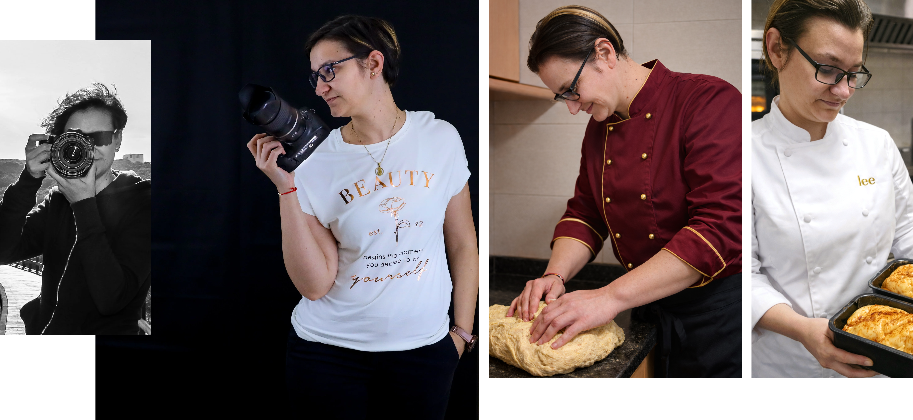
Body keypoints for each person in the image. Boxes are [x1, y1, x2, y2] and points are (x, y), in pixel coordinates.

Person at [245, 15, 477, 418]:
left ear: (373, 63)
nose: (320, 88)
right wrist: (286, 188)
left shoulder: (440, 138)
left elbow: (462, 243)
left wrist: (461, 333)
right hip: (327, 355)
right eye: (315, 77)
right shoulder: (316, 159)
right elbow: (316, 285)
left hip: (425, 353)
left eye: (330, 70)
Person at [749, 0, 913, 378]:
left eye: (854, 74)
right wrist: (803, 330)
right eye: (828, 70)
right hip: (793, 365)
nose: (844, 91)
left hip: (885, 347)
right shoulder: (743, 154)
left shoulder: (876, 144)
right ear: (777, 48)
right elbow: (744, 277)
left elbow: (909, 229)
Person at [506, 5, 743, 378]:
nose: (572, 108)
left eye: (572, 90)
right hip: (646, 306)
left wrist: (608, 297)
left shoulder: (707, 100)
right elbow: (585, 213)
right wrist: (554, 276)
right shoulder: (600, 126)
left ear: (604, 53)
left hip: (714, 317)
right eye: (561, 97)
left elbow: (718, 228)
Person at [0, 82, 151, 335]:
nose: (88, 148)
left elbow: (112, 300)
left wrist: (83, 205)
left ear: (117, 140)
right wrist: (28, 180)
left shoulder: (145, 203)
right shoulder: (58, 202)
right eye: (75, 139)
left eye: (98, 138)